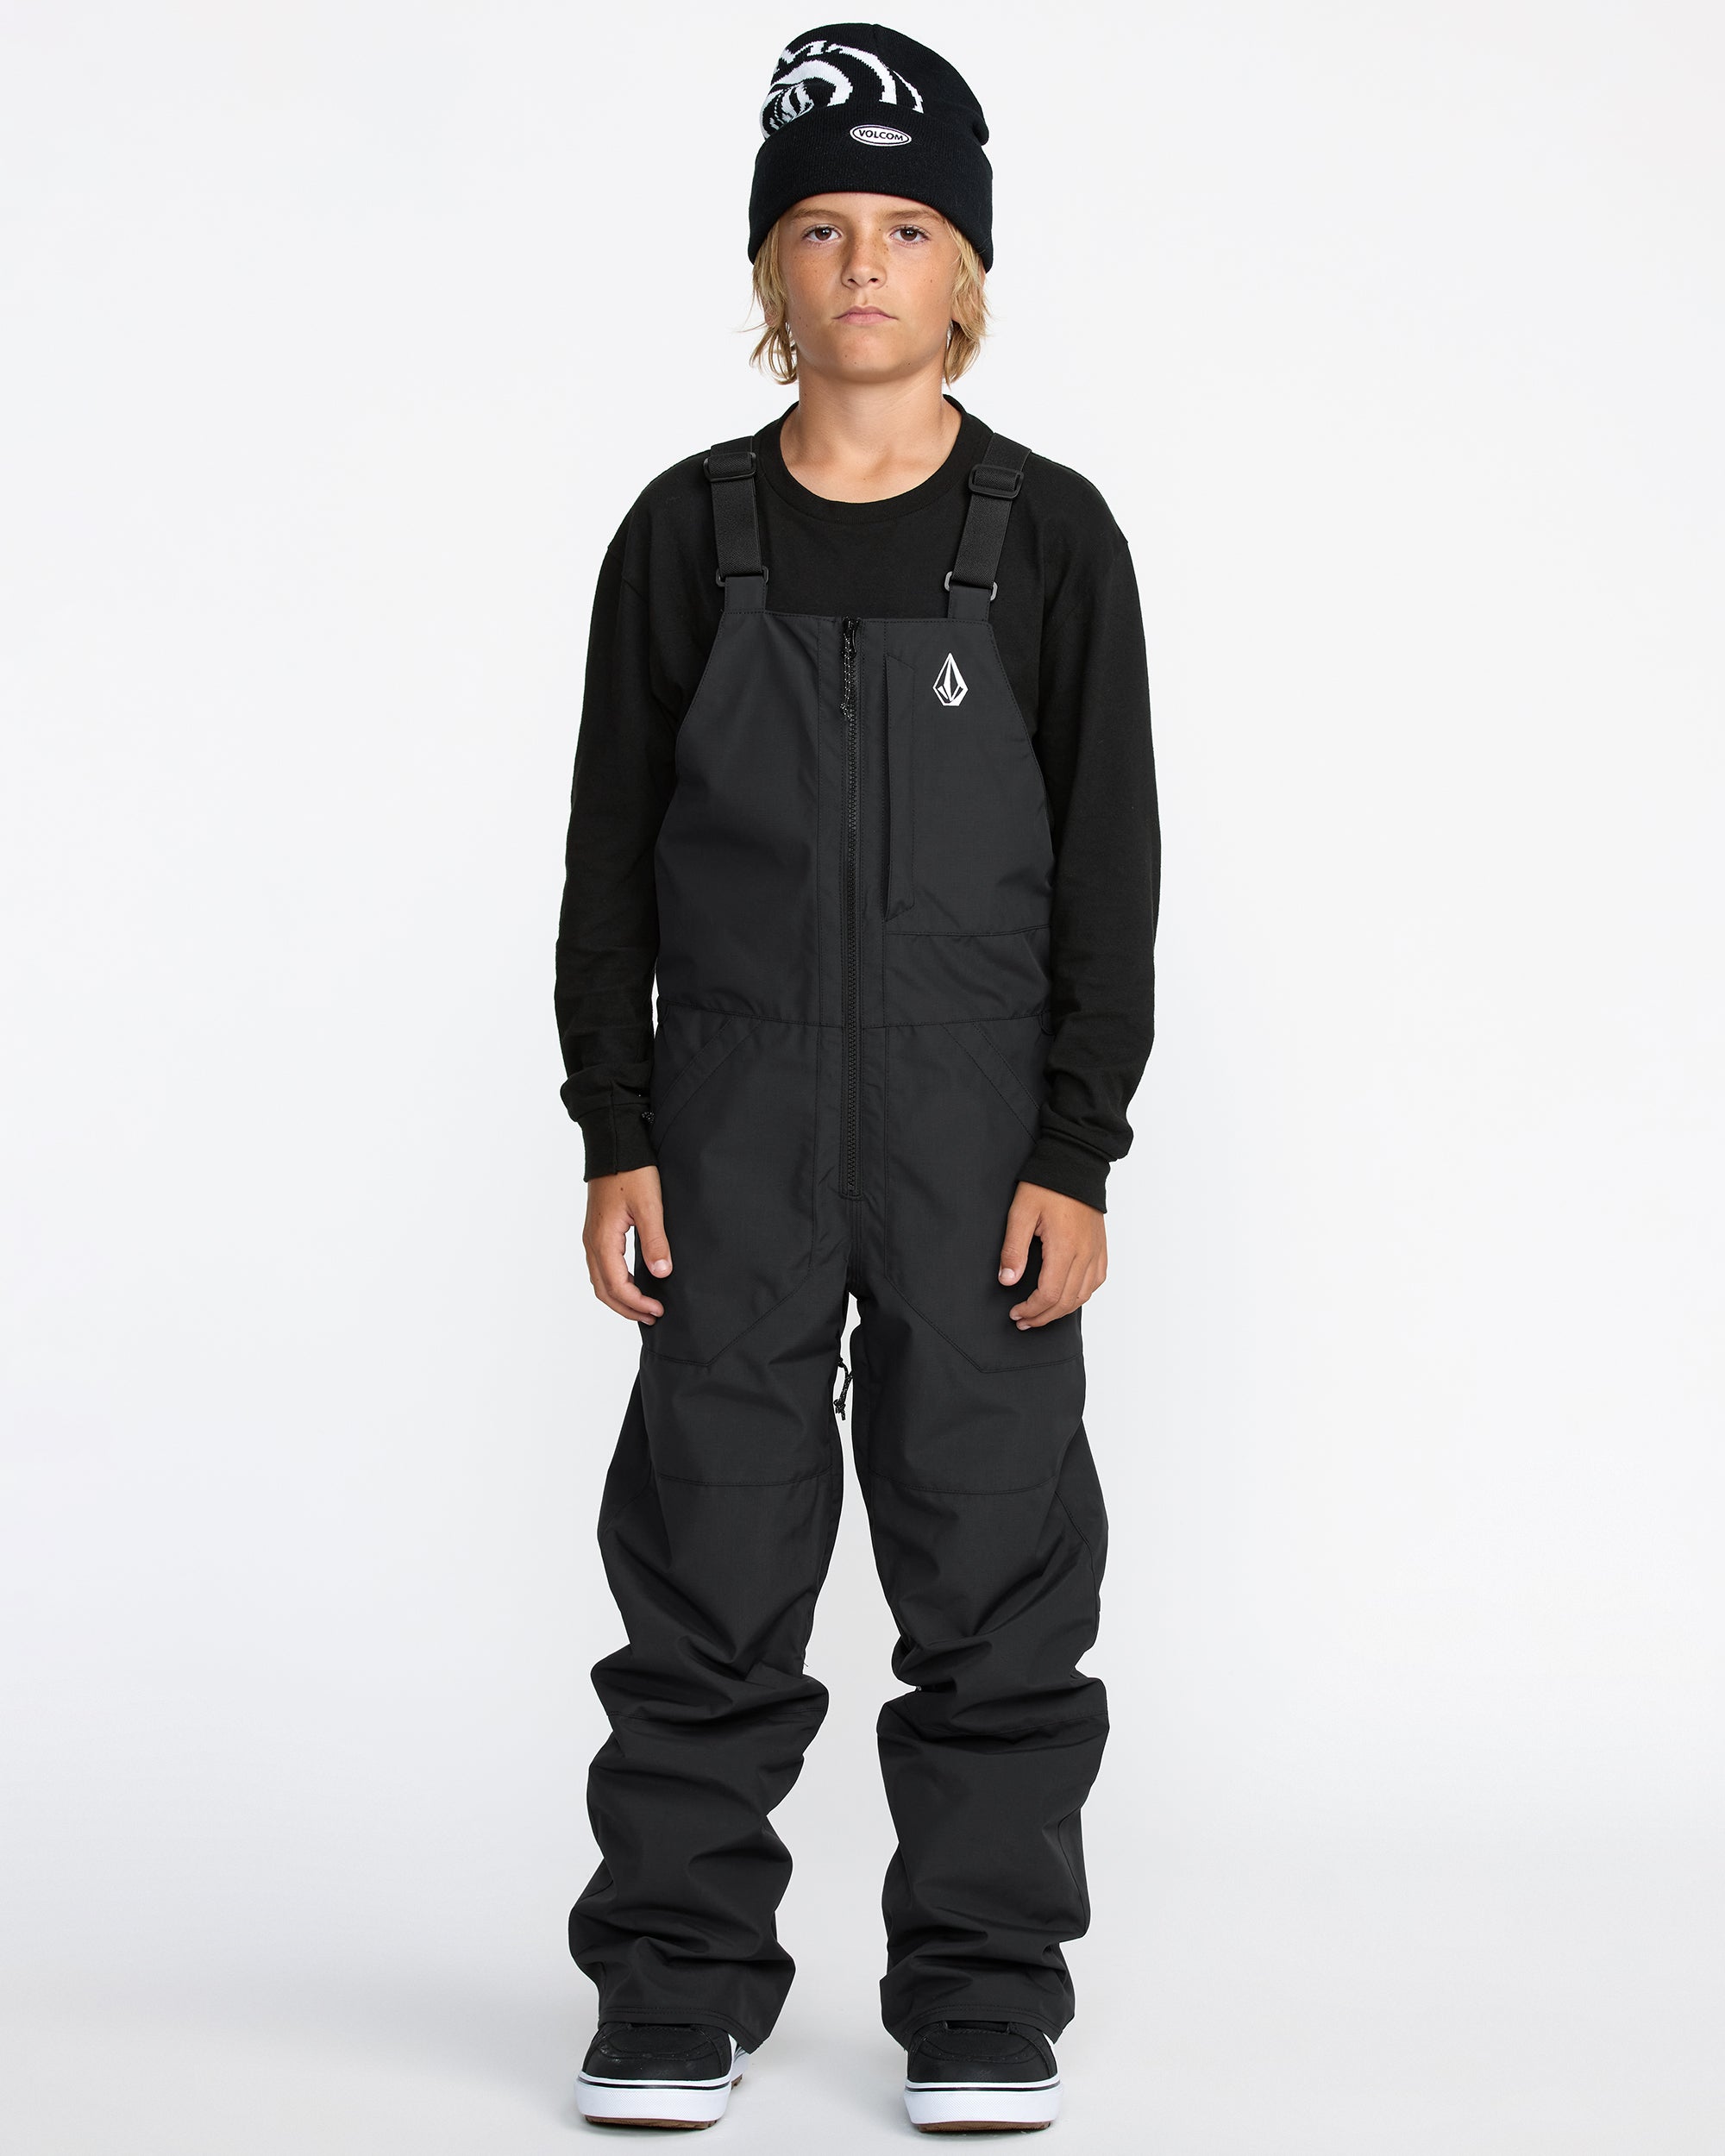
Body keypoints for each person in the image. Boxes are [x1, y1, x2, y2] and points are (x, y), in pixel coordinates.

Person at [554, 22, 1159, 2134]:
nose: (863, 265)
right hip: (728, 1122)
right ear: (768, 272)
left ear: (965, 269)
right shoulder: (683, 534)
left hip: (975, 1131)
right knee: (708, 1557)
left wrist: (1075, 1146)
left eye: (905, 228)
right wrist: (617, 1129)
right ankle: (675, 1980)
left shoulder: (1049, 538)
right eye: (819, 229)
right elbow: (606, 862)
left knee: (990, 1561)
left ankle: (981, 1990)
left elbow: (1110, 871)